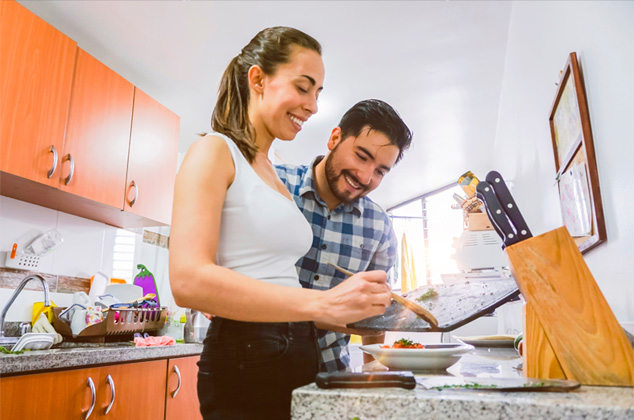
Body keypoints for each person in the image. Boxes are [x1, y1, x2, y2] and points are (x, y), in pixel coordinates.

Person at [168, 27, 392, 420]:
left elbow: (270, 279)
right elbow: (188, 280)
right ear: (258, 79)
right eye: (304, 87)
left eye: (318, 92)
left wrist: (344, 310)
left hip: (293, 351)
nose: (313, 106)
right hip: (249, 354)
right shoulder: (214, 151)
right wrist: (321, 301)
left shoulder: (269, 172)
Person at [275, 99, 413, 372]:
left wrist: (374, 374)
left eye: (380, 171)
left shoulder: (379, 226)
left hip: (332, 374)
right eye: (362, 156)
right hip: (252, 370)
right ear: (335, 138)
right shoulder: (273, 185)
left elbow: (374, 314)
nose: (365, 176)